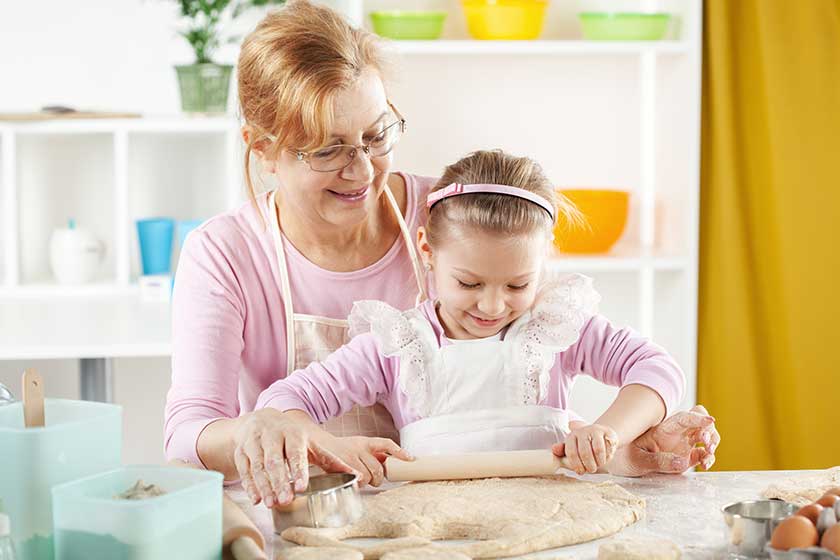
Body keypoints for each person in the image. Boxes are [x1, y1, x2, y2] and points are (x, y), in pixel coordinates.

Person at [163, 0, 719, 509]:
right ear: (264, 149)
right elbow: (189, 434)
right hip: (310, 510)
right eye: (329, 149)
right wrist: (279, 430)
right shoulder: (225, 253)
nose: (361, 172)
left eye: (377, 135)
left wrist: (626, 444)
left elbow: (515, 388)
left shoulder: (459, 214)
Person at [252, 149, 716, 507]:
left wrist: (607, 432)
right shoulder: (397, 343)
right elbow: (280, 403)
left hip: (552, 523)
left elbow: (658, 370)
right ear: (427, 252)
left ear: (543, 260)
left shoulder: (554, 326)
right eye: (468, 283)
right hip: (436, 532)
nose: (493, 305)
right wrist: (335, 447)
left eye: (518, 283)